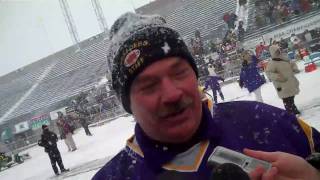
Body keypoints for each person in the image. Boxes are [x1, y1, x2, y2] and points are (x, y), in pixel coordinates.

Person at [93, 12, 320, 180]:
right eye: (149, 85)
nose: (172, 94)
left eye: (179, 72)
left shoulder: (267, 120)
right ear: (128, 104)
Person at [266, 44, 301, 115]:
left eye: (278, 50)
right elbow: (268, 73)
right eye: (276, 51)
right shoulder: (272, 63)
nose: (278, 52)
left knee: (291, 97)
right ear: (273, 52)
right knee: (286, 99)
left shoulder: (284, 58)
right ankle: (290, 112)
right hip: (281, 84)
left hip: (290, 82)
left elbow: (292, 63)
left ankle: (292, 109)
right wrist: (277, 76)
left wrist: (294, 68)